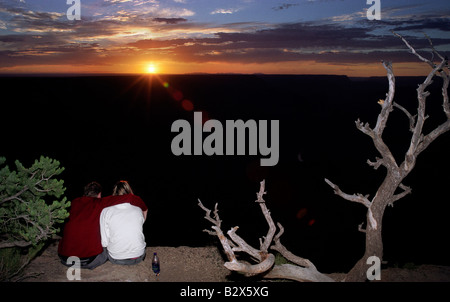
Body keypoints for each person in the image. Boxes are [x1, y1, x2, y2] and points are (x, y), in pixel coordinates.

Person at [58, 181, 148, 269]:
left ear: (85, 193)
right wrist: (141, 204)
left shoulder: (73, 203)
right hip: (90, 260)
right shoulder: (100, 203)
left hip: (65, 258)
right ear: (99, 194)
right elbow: (126, 198)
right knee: (104, 248)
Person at [100, 180, 147, 265]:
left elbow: (104, 242)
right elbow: (142, 221)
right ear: (129, 191)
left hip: (116, 258)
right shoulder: (138, 209)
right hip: (139, 255)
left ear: (114, 193)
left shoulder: (106, 211)